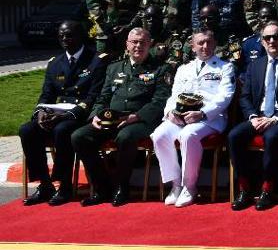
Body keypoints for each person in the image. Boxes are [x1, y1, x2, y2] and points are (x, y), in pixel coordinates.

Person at [71, 28, 172, 206]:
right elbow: (103, 97)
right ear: (127, 44)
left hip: (140, 121)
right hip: (111, 120)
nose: (138, 46)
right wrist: (95, 115)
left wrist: (136, 116)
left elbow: (160, 101)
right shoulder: (114, 67)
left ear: (150, 44)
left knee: (125, 137)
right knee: (79, 136)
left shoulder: (161, 69)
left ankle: (121, 187)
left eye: (142, 42)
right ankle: (102, 188)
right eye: (134, 42)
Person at [20, 21, 106, 206]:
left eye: (69, 35)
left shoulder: (96, 60)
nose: (64, 39)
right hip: (56, 112)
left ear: (81, 36)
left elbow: (94, 95)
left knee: (62, 130)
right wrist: (41, 113)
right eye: (61, 36)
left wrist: (68, 115)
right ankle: (45, 184)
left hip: (79, 113)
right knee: (27, 130)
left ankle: (64, 184)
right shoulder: (55, 63)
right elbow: (46, 94)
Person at [227, 21, 278, 211]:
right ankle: (244, 189)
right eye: (267, 38)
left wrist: (276, 118)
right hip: (258, 116)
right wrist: (253, 116)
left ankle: (267, 190)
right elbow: (245, 97)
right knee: (234, 136)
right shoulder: (255, 66)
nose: (272, 41)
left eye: (276, 37)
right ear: (262, 42)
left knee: (271, 137)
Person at [151, 29, 236, 208]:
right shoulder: (184, 69)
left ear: (214, 44)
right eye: (200, 43)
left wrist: (202, 113)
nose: (205, 46)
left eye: (209, 42)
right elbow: (174, 95)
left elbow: (225, 97)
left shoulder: (225, 67)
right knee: (158, 135)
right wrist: (170, 113)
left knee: (188, 135)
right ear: (192, 46)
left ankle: (190, 186)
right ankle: (176, 184)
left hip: (210, 118)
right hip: (182, 117)